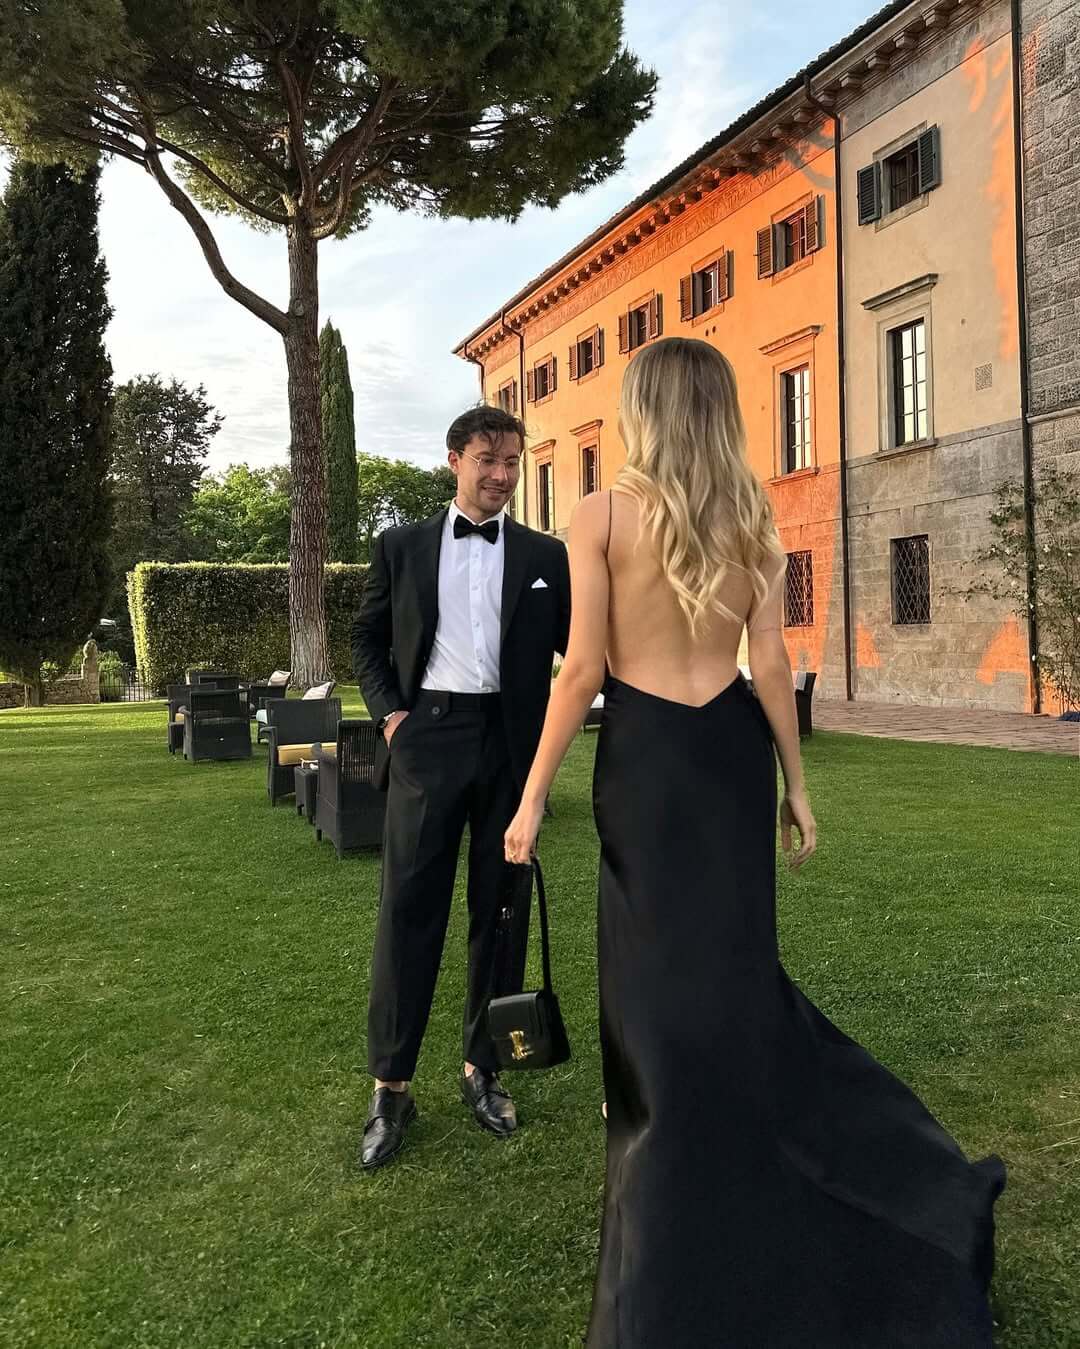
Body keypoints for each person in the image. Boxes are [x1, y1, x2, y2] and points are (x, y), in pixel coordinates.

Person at [504, 338, 1004, 1346]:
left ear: (644, 410)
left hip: (648, 764)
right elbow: (770, 663)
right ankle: (747, 1149)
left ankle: (664, 1171)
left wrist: (530, 796)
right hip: (729, 756)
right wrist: (796, 784)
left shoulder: (600, 516)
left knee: (648, 973)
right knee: (735, 969)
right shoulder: (751, 516)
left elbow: (582, 670)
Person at [351, 404, 570, 1170]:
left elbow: (580, 651)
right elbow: (366, 639)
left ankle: (485, 1068)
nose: (503, 475)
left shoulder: (546, 556)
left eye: (512, 461)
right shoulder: (401, 546)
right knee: (408, 911)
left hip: (510, 749)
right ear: (455, 460)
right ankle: (391, 1088)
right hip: (428, 739)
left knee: (501, 913)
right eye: (488, 460)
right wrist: (393, 720)